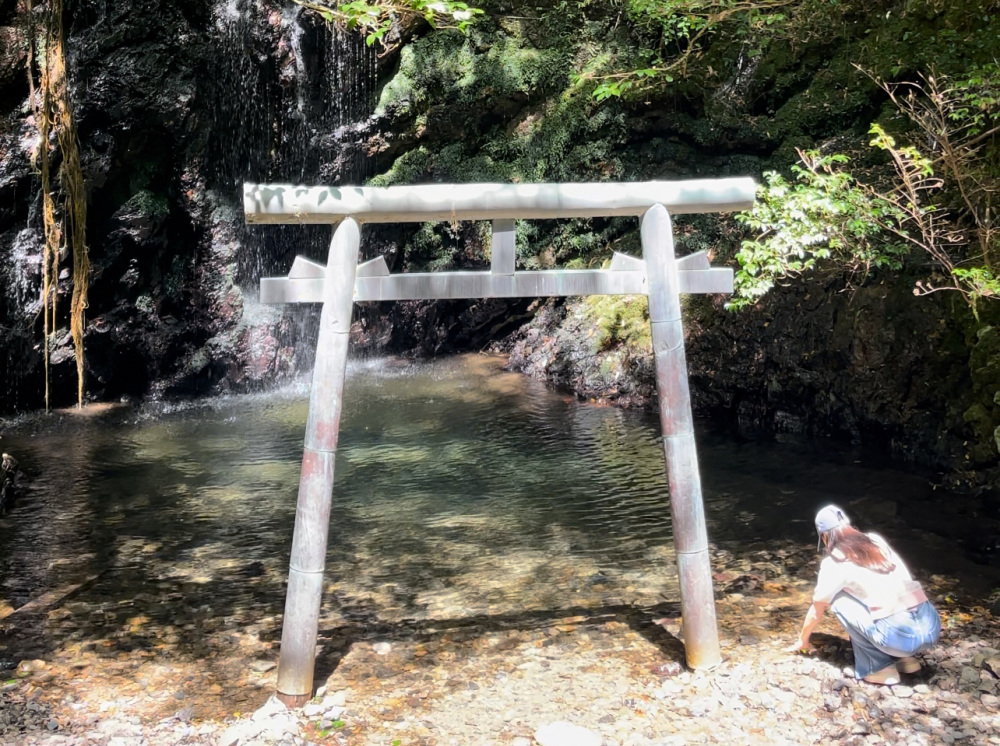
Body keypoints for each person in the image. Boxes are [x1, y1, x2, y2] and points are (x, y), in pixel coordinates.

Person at [787, 504, 941, 685]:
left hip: (902, 638)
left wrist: (803, 640)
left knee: (837, 599)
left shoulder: (835, 561)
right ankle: (907, 660)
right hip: (931, 627)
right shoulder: (876, 540)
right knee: (883, 596)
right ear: (848, 526)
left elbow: (817, 608)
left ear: (824, 536)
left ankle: (879, 668)